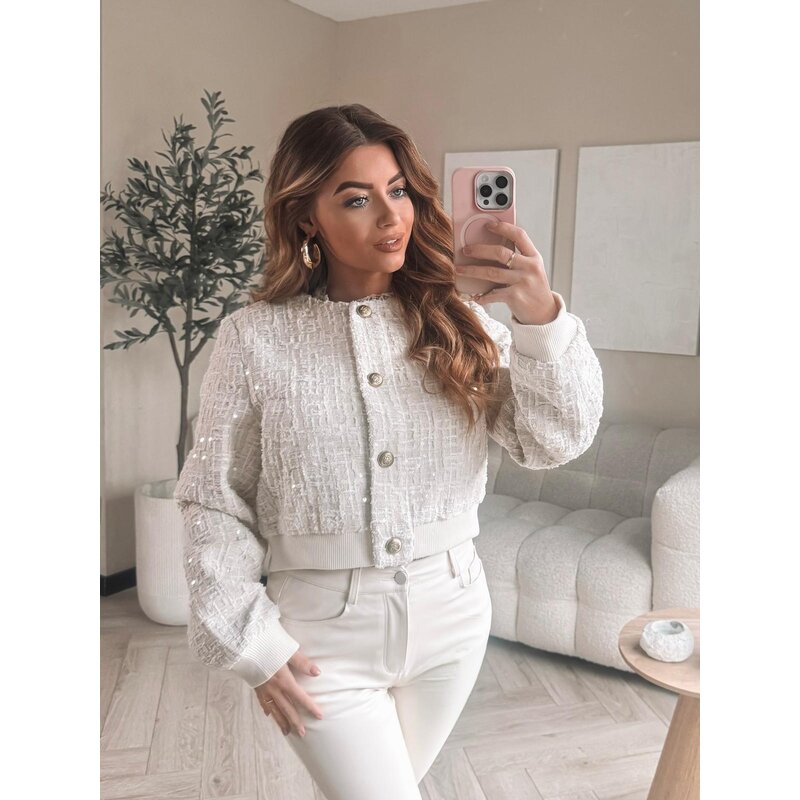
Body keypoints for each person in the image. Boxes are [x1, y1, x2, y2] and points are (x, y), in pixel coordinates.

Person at [173, 103, 604, 800]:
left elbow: (552, 439)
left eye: (398, 191)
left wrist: (538, 317)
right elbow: (214, 498)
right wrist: (250, 641)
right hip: (320, 640)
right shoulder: (255, 339)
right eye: (356, 198)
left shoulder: (461, 322)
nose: (390, 216)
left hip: (454, 619)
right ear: (306, 217)